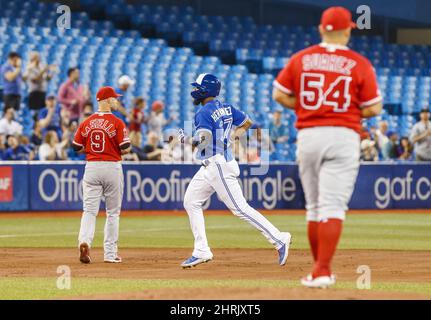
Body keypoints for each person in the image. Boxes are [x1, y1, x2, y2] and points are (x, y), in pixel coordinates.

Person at [273, 6, 382, 288]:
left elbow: (279, 94)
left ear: (321, 29)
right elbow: (374, 107)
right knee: (333, 207)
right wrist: (347, 110)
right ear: (347, 31)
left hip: (309, 134)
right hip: (343, 135)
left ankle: (318, 270)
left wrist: (309, 108)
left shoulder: (301, 58)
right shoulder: (359, 63)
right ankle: (322, 270)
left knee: (313, 207)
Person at [178, 73, 291, 268]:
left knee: (240, 209)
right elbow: (247, 123)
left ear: (205, 90)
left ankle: (279, 238)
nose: (195, 90)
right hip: (214, 164)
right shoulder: (226, 107)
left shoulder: (204, 112)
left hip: (217, 164)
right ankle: (201, 250)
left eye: (197, 87)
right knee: (191, 201)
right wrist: (231, 139)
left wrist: (184, 140)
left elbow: (202, 141)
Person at [72, 86, 131, 264]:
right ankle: (110, 254)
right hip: (112, 166)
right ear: (106, 100)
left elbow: (75, 146)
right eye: (114, 98)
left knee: (89, 211)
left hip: (92, 166)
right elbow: (125, 147)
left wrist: (89, 149)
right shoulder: (118, 122)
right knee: (113, 213)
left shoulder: (86, 122)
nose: (116, 101)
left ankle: (84, 241)